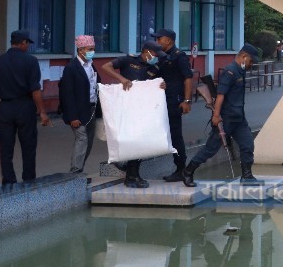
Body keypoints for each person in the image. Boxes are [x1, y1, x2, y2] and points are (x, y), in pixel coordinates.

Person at [183, 43, 260, 185]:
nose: (251, 64)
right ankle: (188, 172)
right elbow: (220, 96)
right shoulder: (229, 72)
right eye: (251, 61)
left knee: (248, 145)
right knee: (211, 149)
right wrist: (216, 116)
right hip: (226, 119)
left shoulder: (241, 70)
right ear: (244, 57)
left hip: (239, 119)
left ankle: (247, 176)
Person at [0, 29, 51, 186]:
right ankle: (29, 181)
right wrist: (42, 111)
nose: (28, 46)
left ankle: (8, 182)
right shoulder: (31, 61)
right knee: (28, 147)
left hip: (6, 108)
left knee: (5, 149)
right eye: (27, 43)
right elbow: (35, 90)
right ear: (23, 43)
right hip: (25, 107)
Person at [100, 41, 167, 188]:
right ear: (146, 52)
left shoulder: (152, 67)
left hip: (143, 109)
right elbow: (105, 67)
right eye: (155, 55)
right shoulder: (128, 60)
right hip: (127, 107)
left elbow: (156, 84)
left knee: (141, 142)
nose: (155, 58)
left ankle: (133, 174)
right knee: (132, 141)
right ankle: (131, 176)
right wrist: (121, 79)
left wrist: (162, 85)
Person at [153, 28, 194, 181]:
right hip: (162, 100)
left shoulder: (179, 56)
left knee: (175, 135)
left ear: (168, 40)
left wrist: (187, 101)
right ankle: (132, 165)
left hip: (175, 100)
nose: (157, 42)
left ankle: (181, 169)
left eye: (159, 39)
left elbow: (188, 78)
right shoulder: (162, 57)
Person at [59, 34, 99, 175]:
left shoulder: (91, 66)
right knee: (82, 139)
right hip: (77, 111)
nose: (92, 51)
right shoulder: (71, 68)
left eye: (93, 48)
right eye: (90, 49)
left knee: (88, 142)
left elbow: (96, 85)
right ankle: (75, 172)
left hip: (91, 109)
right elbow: (67, 94)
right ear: (81, 50)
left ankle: (80, 169)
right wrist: (72, 117)